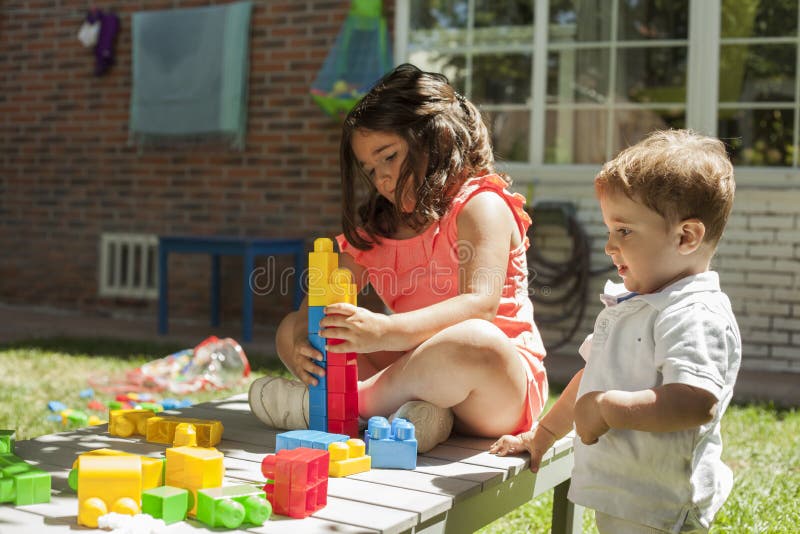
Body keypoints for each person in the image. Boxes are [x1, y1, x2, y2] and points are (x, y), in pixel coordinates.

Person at [249, 63, 548, 453]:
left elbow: (481, 306)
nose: (382, 180)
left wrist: (384, 332)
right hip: (418, 387)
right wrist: (297, 346)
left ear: (434, 139)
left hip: (497, 389)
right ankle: (412, 418)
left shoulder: (480, 205)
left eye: (388, 157)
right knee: (298, 325)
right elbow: (318, 312)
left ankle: (338, 407)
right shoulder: (378, 229)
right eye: (370, 170)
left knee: (474, 340)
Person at [490, 129, 741, 533]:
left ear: (686, 236)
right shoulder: (637, 303)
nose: (610, 246)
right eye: (609, 230)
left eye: (624, 231)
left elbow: (695, 401)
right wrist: (545, 431)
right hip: (630, 494)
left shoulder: (693, 312)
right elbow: (593, 377)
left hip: (663, 504)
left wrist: (609, 407)